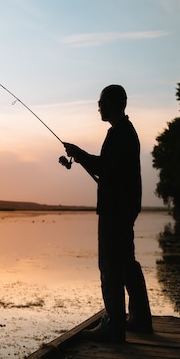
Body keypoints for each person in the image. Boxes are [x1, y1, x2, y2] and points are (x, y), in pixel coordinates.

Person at [61, 84, 152, 343]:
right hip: (123, 207)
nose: (98, 107)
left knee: (111, 265)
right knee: (127, 263)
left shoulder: (121, 133)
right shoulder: (123, 131)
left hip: (116, 209)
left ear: (112, 103)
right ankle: (141, 320)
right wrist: (81, 157)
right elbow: (109, 169)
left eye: (101, 102)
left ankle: (114, 325)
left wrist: (79, 154)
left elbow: (106, 168)